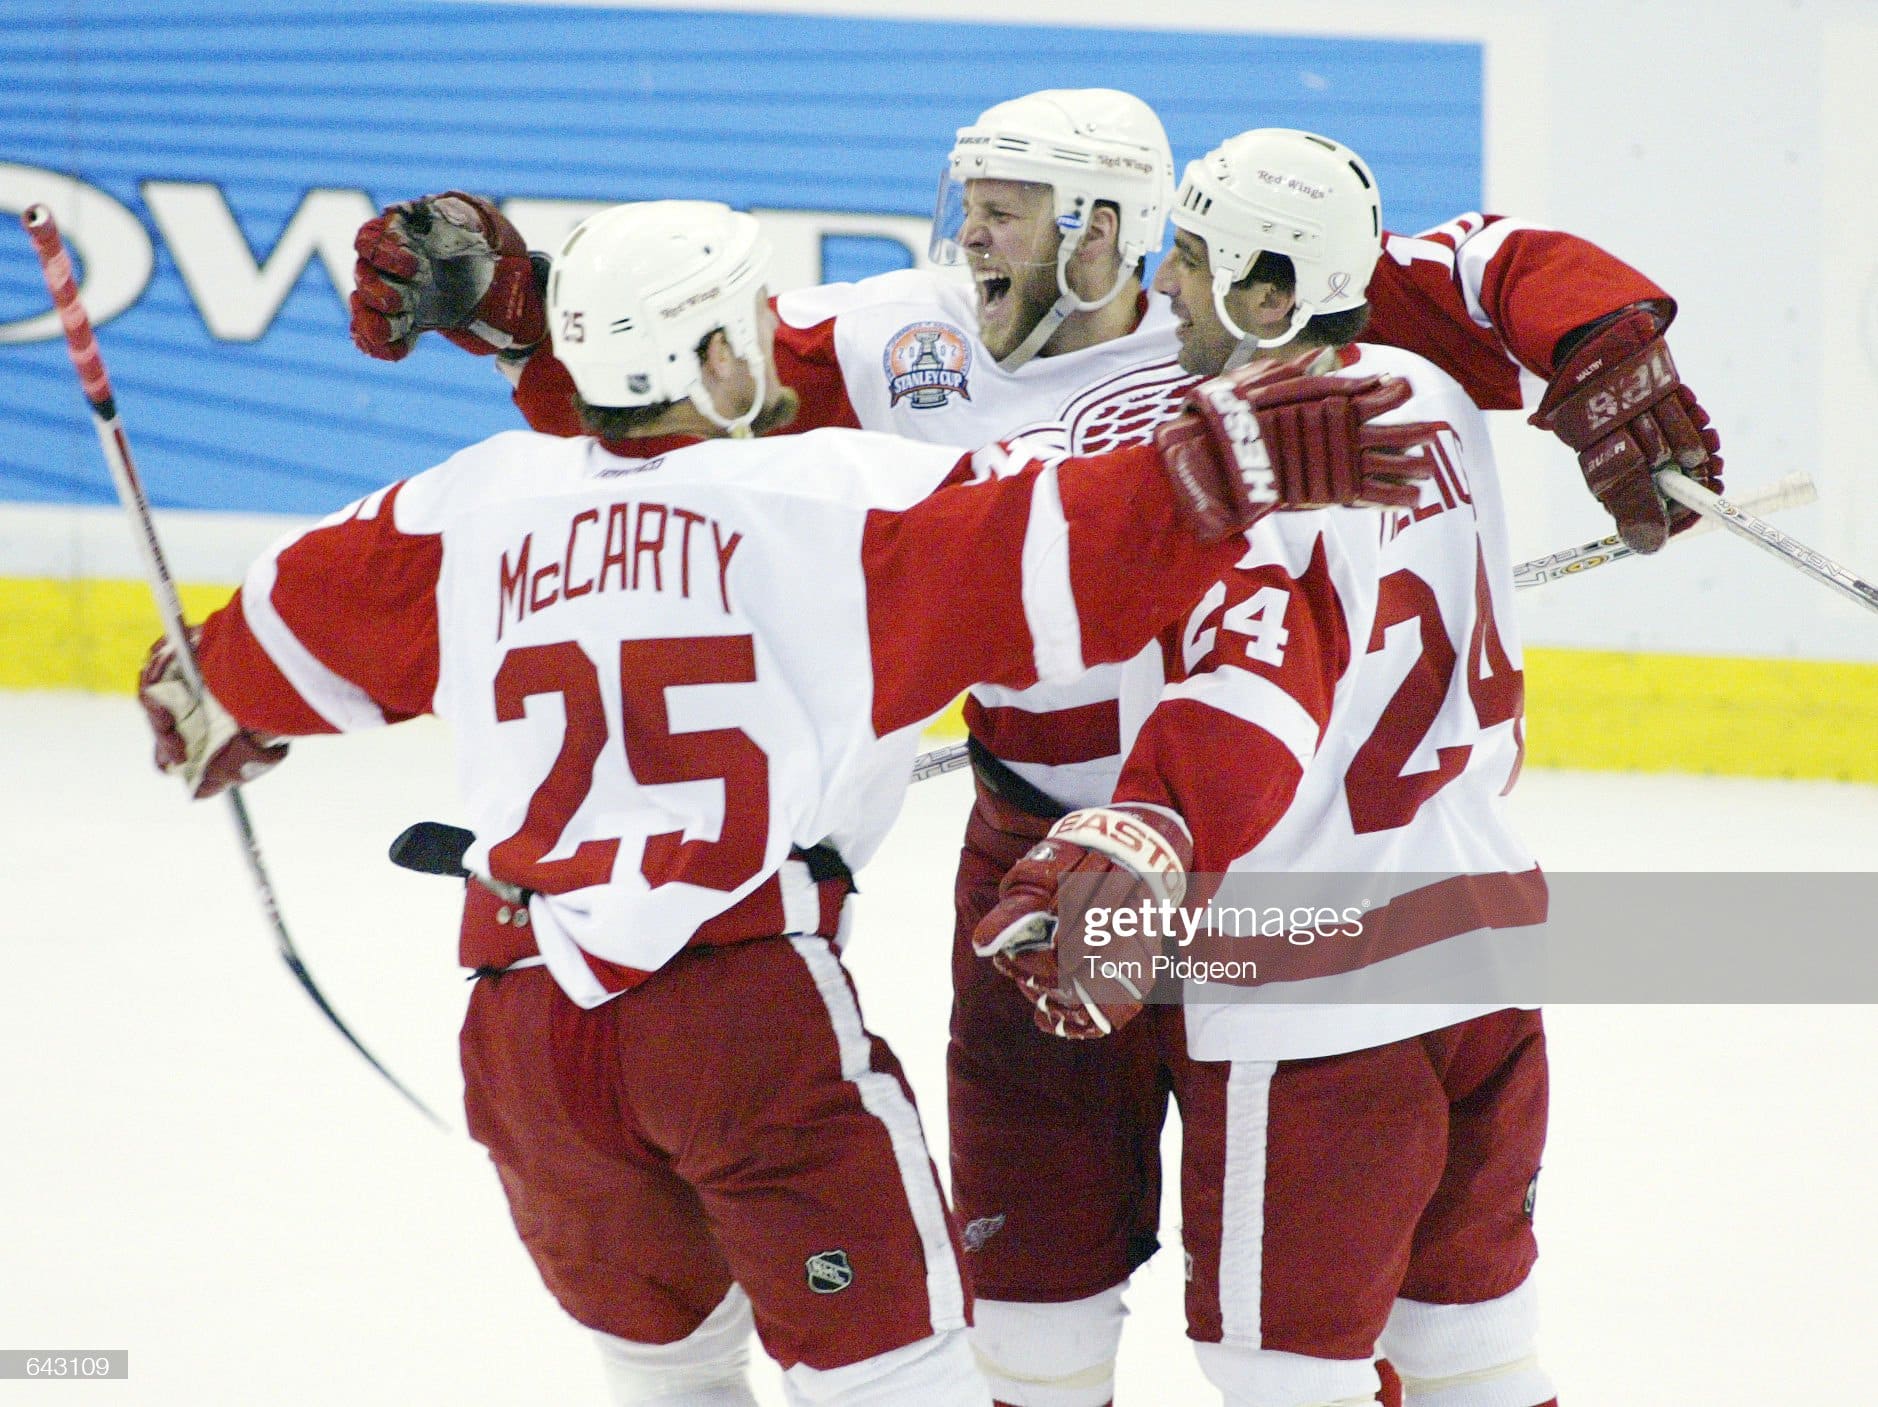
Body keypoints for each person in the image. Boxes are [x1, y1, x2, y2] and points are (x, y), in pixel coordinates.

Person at [344, 91, 1720, 1405]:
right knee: (1030, 1287)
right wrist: (528, 321)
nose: (968, 235)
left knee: (1293, 1332)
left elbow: (1492, 264)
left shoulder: (1251, 314)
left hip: (1241, 877)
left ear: (1112, 231)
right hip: (1042, 868)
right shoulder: (898, 339)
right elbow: (688, 414)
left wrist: (1601, 335)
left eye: (1006, 207)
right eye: (972, 203)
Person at [137, 198, 1437, 1407]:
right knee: (896, 1378)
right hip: (738, 1019)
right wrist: (1223, 469)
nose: (779, 340)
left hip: (524, 1032)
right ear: (706, 356)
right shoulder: (839, 504)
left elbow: (265, 643)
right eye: (754, 322)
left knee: (670, 1382)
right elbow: (1059, 547)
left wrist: (213, 700)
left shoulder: (462, 504)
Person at [974, 129, 1574, 1407]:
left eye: (1191, 261)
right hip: (1484, 944)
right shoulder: (1430, 391)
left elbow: (1255, 699)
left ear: (1270, 293)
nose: (1167, 286)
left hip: (1318, 990)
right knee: (1474, 1359)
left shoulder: (1266, 466)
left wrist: (1128, 843)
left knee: (1283, 1379)